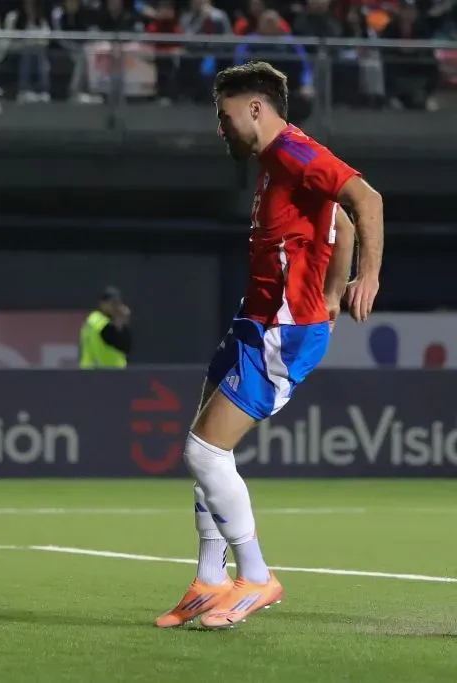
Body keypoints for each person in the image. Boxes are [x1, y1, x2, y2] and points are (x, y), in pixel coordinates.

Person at [154, 60, 383, 630]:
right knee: (203, 445)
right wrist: (334, 287)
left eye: (225, 115)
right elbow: (339, 218)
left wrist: (364, 280)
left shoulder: (293, 152)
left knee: (206, 453)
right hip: (254, 317)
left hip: (284, 328)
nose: (221, 128)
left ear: (255, 108)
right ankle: (210, 578)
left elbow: (366, 200)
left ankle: (255, 576)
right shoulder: (278, 161)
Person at [78, 286, 132, 369]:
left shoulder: (113, 321)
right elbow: (108, 335)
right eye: (112, 303)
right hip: (95, 374)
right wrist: (119, 321)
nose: (115, 307)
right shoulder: (95, 319)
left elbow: (126, 346)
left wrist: (122, 322)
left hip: (113, 374)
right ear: (102, 304)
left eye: (117, 303)